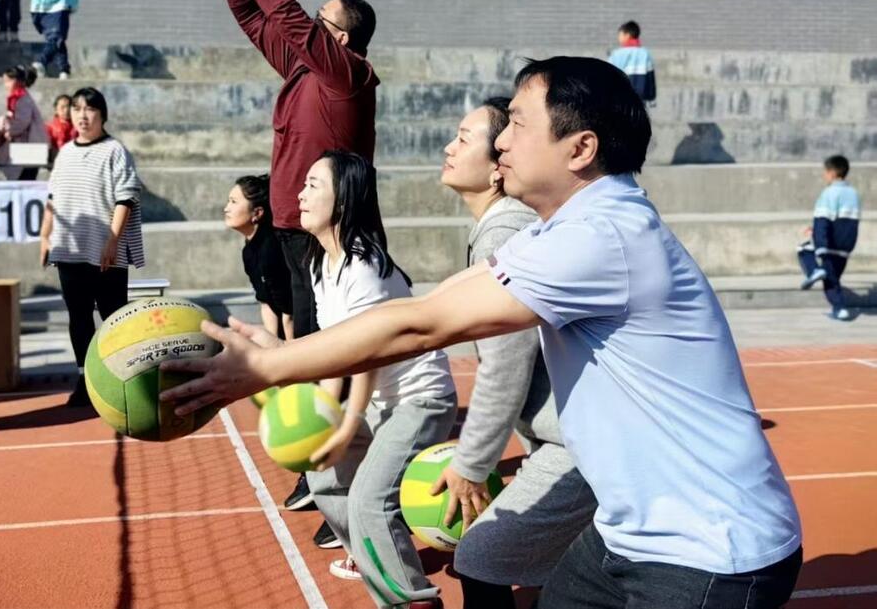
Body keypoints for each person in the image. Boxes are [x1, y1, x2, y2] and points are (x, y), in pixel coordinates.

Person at [164, 57, 804, 609]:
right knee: (499, 565)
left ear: (580, 149)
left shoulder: (600, 236)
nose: (501, 144)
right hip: (629, 532)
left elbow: (421, 325)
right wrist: (286, 352)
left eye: (518, 125)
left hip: (710, 547)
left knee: (486, 557)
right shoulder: (566, 229)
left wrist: (266, 369)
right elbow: (439, 301)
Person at [176, 0, 379, 513]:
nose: (311, 26)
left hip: (332, 234)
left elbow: (288, 18)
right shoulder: (306, 71)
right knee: (304, 344)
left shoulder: (349, 75)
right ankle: (321, 468)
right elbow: (256, 21)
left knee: (328, 353)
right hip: (293, 229)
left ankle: (338, 479)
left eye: (323, 22)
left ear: (339, 38)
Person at [439, 98, 595, 604]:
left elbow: (505, 362)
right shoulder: (498, 224)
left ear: (496, 169)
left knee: (480, 557)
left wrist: (470, 462)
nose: (449, 146)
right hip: (557, 433)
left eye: (464, 139)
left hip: (574, 441)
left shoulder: (505, 229)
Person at [289, 151, 455, 609]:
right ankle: (368, 554)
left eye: (313, 185)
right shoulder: (320, 264)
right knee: (322, 474)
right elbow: (335, 353)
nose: (301, 194)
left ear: (343, 200)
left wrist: (344, 425)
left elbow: (367, 358)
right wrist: (322, 420)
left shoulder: (364, 268)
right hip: (380, 398)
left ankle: (414, 600)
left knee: (369, 501)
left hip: (420, 400)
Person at [39, 88, 144, 408]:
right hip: (69, 250)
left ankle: (121, 378)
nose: (82, 115)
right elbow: (53, 199)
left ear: (103, 114)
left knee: (114, 319)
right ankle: (85, 378)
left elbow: (125, 198)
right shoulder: (66, 152)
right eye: (77, 109)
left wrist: (112, 241)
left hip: (105, 253)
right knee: (79, 317)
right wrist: (45, 237)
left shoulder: (115, 151)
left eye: (90, 109)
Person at [224, 174, 294, 340]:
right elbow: (265, 302)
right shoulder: (249, 251)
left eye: (234, 202)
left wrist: (289, 352)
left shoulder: (272, 247)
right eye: (228, 201)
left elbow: (290, 310)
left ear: (257, 213)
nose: (226, 208)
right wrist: (270, 342)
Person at [798, 154, 860, 321]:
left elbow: (823, 219)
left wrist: (820, 244)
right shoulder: (853, 193)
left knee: (803, 249)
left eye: (825, 172)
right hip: (845, 246)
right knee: (833, 278)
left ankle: (815, 271)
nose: (823, 175)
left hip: (828, 245)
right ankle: (838, 307)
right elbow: (847, 220)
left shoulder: (828, 193)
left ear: (832, 173)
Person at [0, 64, 47, 180]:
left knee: (24, 181)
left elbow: (21, 122)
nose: (6, 85)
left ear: (17, 81)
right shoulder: (20, 96)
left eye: (8, 81)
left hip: (29, 146)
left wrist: (8, 130)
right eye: (5, 81)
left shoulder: (21, 97)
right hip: (27, 144)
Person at [30, 0, 79, 78]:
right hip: (59, 15)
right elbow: (74, 4)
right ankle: (41, 62)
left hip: (43, 16)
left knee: (58, 42)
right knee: (56, 41)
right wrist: (69, 10)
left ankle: (64, 70)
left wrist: (38, 23)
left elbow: (33, 8)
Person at [607, 20, 656, 104]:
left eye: (620, 35)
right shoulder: (645, 54)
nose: (619, 38)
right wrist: (651, 98)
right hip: (640, 101)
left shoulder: (616, 54)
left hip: (620, 99)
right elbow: (650, 79)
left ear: (627, 35)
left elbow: (608, 77)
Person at [45, 94, 76, 165]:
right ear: (56, 110)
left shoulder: (78, 127)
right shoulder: (50, 127)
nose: (66, 110)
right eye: (63, 107)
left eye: (69, 107)